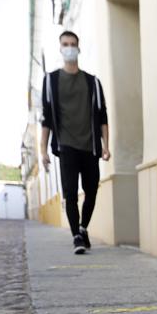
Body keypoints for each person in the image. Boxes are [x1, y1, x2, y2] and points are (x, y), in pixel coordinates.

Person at [41, 30, 110, 254]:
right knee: (70, 193)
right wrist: (43, 150)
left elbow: (102, 115)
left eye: (73, 44)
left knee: (91, 191)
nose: (69, 48)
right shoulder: (51, 81)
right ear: (60, 48)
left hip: (90, 146)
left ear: (78, 48)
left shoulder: (92, 82)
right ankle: (76, 237)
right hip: (66, 146)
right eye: (65, 44)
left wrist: (106, 146)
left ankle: (83, 227)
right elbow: (47, 117)